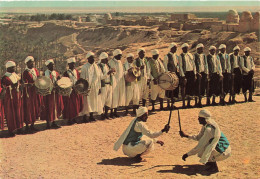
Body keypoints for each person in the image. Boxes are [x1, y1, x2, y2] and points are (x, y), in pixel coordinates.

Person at [1, 61, 24, 136]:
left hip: (17, 96)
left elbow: (19, 84)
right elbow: (3, 88)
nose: (14, 68)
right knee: (11, 113)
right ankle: (11, 130)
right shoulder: (5, 77)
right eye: (13, 67)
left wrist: (20, 86)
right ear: (8, 68)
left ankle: (19, 127)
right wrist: (11, 87)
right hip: (9, 98)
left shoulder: (16, 75)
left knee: (18, 112)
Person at [41, 59, 63, 129]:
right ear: (48, 66)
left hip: (55, 93)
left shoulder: (56, 73)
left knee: (55, 107)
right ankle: (48, 123)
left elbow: (59, 81)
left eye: (53, 65)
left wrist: (59, 80)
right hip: (48, 94)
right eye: (51, 65)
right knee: (48, 107)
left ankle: (54, 122)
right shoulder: (45, 74)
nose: (52, 66)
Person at [22, 56, 41, 133]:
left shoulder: (35, 70)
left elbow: (38, 78)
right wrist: (28, 84)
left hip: (35, 92)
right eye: (30, 62)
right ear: (27, 63)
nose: (32, 64)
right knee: (28, 108)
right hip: (28, 93)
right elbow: (24, 83)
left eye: (33, 62)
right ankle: (27, 126)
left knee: (34, 107)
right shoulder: (25, 72)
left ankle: (32, 125)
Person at [80, 52, 101, 122]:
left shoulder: (95, 66)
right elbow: (82, 78)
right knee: (86, 102)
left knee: (93, 102)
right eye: (91, 58)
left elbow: (98, 78)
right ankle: (84, 117)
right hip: (87, 87)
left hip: (94, 87)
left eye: (93, 58)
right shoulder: (84, 67)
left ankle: (91, 116)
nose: (93, 59)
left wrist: (99, 87)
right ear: (88, 59)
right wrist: (84, 88)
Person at [63, 57, 83, 125]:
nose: (73, 65)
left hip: (76, 90)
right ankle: (70, 119)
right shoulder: (66, 73)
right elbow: (65, 82)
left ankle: (74, 118)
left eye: (74, 64)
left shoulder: (76, 71)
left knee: (76, 104)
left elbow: (78, 79)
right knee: (70, 105)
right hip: (70, 91)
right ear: (69, 64)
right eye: (72, 64)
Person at [163, 43, 181, 110]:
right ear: (171, 48)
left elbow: (177, 65)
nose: (176, 49)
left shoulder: (176, 56)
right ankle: (168, 105)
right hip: (169, 75)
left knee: (174, 89)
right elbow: (165, 66)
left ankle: (172, 104)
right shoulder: (167, 56)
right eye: (175, 48)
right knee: (169, 89)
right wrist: (168, 73)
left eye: (176, 48)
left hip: (175, 74)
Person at [109, 49, 126, 118]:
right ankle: (111, 113)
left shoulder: (120, 62)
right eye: (119, 55)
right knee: (113, 97)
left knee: (118, 97)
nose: (120, 57)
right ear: (116, 55)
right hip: (114, 82)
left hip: (120, 82)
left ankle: (115, 112)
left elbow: (122, 72)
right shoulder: (111, 62)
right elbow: (111, 72)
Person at [97, 52, 115, 120]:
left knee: (109, 100)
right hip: (103, 86)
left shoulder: (107, 65)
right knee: (102, 100)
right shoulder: (99, 66)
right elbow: (100, 77)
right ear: (102, 59)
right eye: (105, 59)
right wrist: (108, 73)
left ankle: (106, 114)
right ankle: (102, 115)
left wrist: (112, 72)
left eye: (107, 59)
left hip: (109, 84)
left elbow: (111, 74)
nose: (107, 60)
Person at [179, 43, 197, 108]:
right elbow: (180, 66)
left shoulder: (190, 55)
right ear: (182, 49)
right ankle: (184, 104)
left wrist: (194, 73)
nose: (186, 49)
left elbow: (193, 64)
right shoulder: (181, 56)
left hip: (191, 72)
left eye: (187, 48)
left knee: (190, 88)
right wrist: (183, 76)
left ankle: (188, 103)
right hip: (185, 73)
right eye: (184, 48)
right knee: (184, 88)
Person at [193, 43, 209, 107]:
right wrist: (196, 73)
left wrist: (206, 73)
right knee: (197, 87)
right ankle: (196, 102)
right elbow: (193, 65)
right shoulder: (194, 56)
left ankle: (200, 101)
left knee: (202, 87)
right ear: (197, 49)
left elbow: (206, 64)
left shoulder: (204, 55)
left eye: (202, 49)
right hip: (197, 73)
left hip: (203, 73)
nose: (201, 50)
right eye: (200, 49)